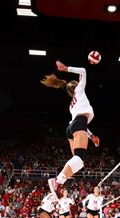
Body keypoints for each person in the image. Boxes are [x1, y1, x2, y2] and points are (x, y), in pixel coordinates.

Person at [41, 61, 100, 199]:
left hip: (72, 127)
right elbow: (84, 71)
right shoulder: (80, 90)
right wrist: (66, 68)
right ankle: (57, 181)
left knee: (78, 162)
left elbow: (80, 122)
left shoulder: (72, 105)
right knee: (78, 158)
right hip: (78, 124)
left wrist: (91, 136)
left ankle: (59, 182)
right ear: (76, 86)